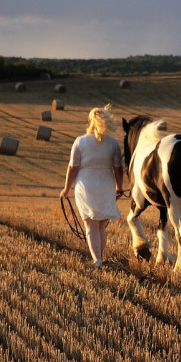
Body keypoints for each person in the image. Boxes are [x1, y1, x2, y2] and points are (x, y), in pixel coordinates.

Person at [60, 104, 124, 267]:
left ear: (89, 121)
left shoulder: (80, 141)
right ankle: (99, 257)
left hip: (86, 184)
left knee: (90, 225)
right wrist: (119, 187)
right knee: (101, 226)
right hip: (106, 183)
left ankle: (97, 260)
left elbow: (73, 167)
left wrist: (66, 189)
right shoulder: (113, 143)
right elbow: (118, 168)